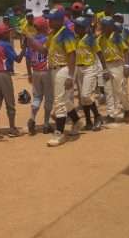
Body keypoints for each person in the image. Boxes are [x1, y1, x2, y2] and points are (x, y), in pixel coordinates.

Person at [39, 8, 82, 147]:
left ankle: (59, 133)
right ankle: (76, 121)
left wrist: (70, 75)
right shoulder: (53, 34)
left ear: (59, 20)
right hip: (55, 70)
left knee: (59, 101)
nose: (49, 21)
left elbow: (72, 54)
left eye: (51, 19)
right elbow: (44, 50)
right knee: (64, 99)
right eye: (48, 19)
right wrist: (29, 39)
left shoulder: (66, 33)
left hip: (64, 69)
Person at [0, 22, 24, 139]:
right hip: (3, 75)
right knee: (10, 103)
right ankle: (12, 128)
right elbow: (18, 59)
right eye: (8, 32)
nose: (10, 33)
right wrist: (25, 48)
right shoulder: (6, 45)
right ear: (4, 35)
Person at [73, 17, 105, 131]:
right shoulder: (76, 38)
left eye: (78, 26)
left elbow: (100, 53)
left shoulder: (90, 39)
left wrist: (104, 70)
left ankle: (97, 116)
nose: (76, 28)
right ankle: (88, 121)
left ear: (84, 28)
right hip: (79, 68)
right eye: (75, 26)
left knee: (86, 95)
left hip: (89, 68)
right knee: (82, 98)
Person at [99, 18, 129, 123]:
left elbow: (126, 50)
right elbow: (99, 53)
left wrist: (127, 66)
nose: (102, 28)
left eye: (104, 26)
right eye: (102, 26)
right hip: (107, 65)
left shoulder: (117, 37)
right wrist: (104, 69)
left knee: (119, 91)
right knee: (108, 90)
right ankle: (111, 114)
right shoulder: (100, 39)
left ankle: (127, 109)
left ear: (110, 27)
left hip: (118, 64)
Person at [25, 16, 53, 135]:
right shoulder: (48, 39)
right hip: (47, 71)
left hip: (35, 71)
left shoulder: (31, 40)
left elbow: (27, 58)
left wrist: (30, 73)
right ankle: (46, 124)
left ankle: (32, 118)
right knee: (48, 98)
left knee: (37, 97)